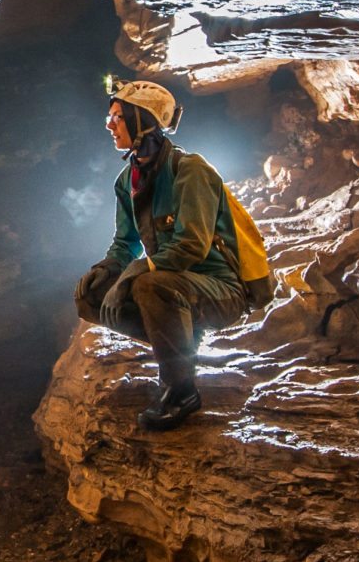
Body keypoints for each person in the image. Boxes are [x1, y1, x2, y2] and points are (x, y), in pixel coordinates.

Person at [74, 78, 252, 432]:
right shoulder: (128, 180)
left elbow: (191, 246)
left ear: (142, 120)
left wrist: (136, 272)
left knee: (149, 286)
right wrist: (109, 267)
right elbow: (125, 243)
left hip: (221, 290)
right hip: (174, 287)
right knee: (90, 295)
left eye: (117, 118)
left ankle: (181, 390)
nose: (109, 125)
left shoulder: (191, 171)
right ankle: (183, 340)